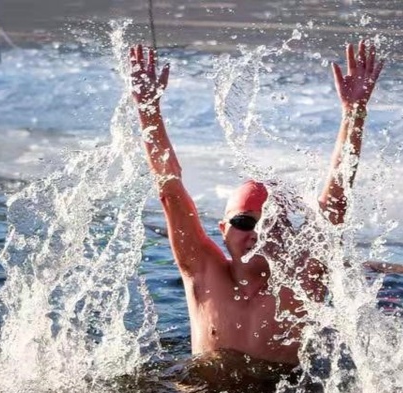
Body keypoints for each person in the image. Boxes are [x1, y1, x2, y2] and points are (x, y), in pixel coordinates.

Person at [129, 41, 384, 372]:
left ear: (289, 235)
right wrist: (148, 110)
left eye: (274, 224)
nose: (259, 234)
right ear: (223, 229)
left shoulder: (303, 279)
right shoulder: (202, 271)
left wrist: (354, 113)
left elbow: (336, 198)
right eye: (246, 222)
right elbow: (170, 188)